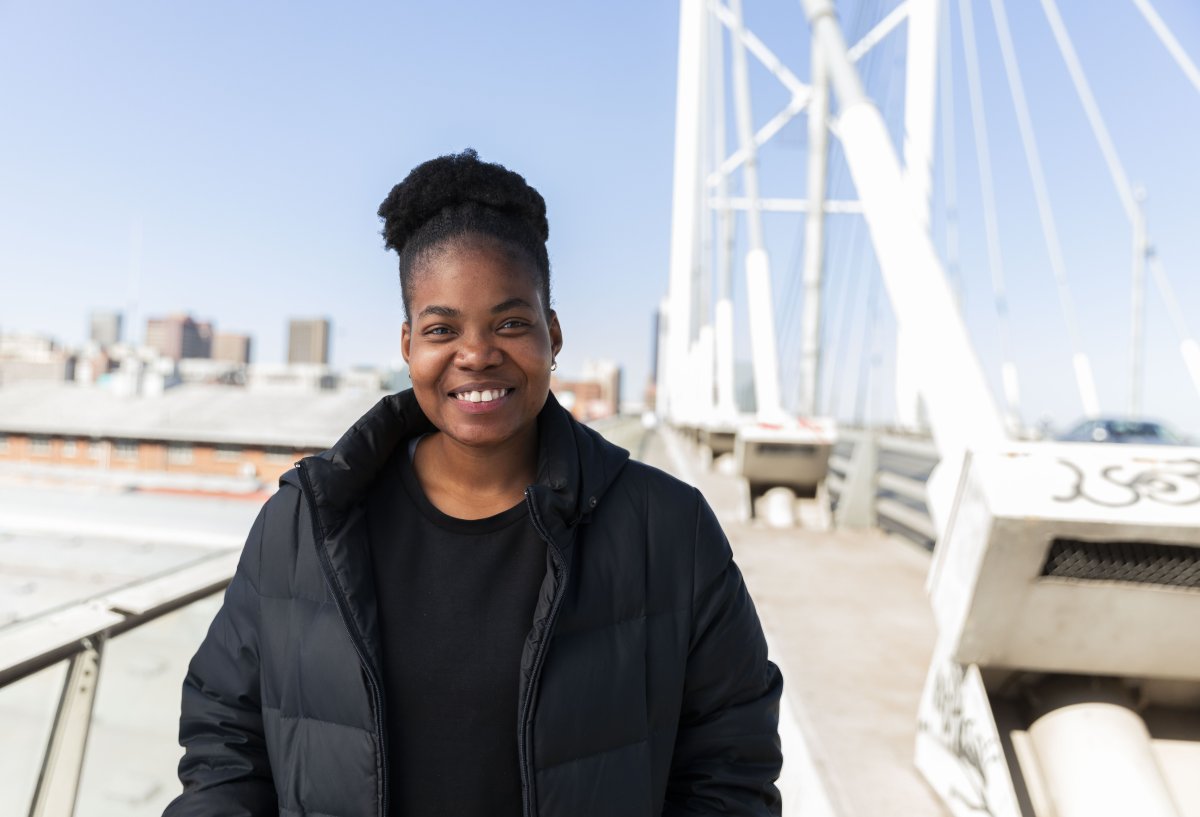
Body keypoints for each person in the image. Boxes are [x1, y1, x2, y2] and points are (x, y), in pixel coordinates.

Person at [164, 149, 783, 817]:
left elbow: (731, 768)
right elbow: (225, 736)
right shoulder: (305, 524)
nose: (477, 354)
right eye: (442, 329)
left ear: (553, 334)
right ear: (409, 345)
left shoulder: (669, 531)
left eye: (511, 323)